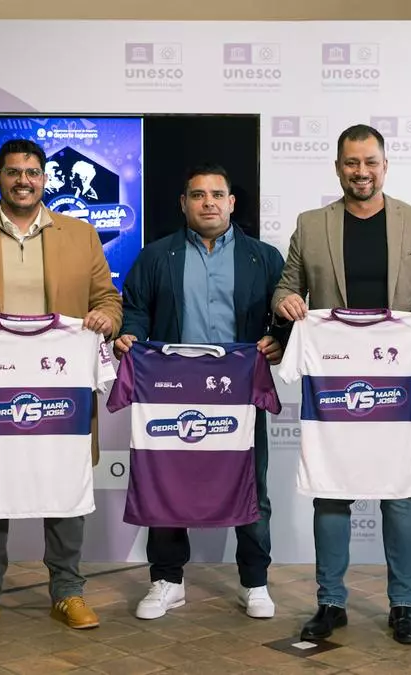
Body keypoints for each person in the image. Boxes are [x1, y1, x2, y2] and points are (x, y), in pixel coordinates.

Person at [0, 138, 122, 633]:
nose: (23, 181)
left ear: (45, 179)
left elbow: (108, 299)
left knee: (64, 481)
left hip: (61, 384)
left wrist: (104, 318)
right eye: (13, 172)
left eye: (32, 173)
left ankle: (68, 592)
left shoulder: (81, 235)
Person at [273, 124, 411, 645]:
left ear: (385, 165)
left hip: (399, 382)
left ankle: (404, 605)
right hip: (334, 382)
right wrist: (286, 303)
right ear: (338, 167)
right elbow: (286, 287)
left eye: (370, 162)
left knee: (400, 494)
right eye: (352, 163)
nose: (362, 172)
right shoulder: (311, 225)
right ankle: (330, 602)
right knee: (331, 494)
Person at [112, 163, 287, 620]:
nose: (208, 202)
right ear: (183, 203)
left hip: (239, 391)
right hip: (171, 391)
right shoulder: (156, 256)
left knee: (253, 487)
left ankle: (255, 582)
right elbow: (135, 309)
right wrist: (130, 335)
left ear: (232, 202)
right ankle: (167, 580)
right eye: (197, 195)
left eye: (217, 194)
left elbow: (284, 315)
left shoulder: (264, 258)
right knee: (166, 484)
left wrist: (278, 340)